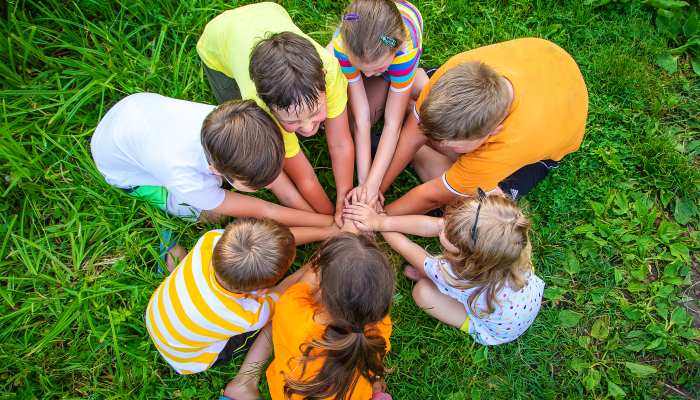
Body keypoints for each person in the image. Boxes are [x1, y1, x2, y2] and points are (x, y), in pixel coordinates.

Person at [91, 93, 334, 271]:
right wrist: (330, 226)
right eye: (259, 186)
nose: (270, 185)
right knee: (213, 217)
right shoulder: (185, 179)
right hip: (123, 169)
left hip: (135, 115)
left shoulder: (234, 127)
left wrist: (329, 224)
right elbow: (264, 209)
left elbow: (278, 192)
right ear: (214, 170)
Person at [376, 38, 589, 216]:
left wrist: (379, 216)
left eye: (451, 142)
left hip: (538, 142)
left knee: (472, 209)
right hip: (546, 65)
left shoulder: (509, 144)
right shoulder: (455, 71)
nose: (440, 143)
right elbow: (413, 136)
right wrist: (376, 189)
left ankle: (411, 130)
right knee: (413, 87)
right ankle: (412, 114)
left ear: (493, 131)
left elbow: (432, 197)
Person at [197, 2, 355, 226]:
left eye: (316, 111)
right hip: (218, 43)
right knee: (239, 125)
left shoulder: (331, 72)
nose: (309, 127)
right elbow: (305, 178)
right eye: (292, 121)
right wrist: (331, 220)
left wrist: (343, 206)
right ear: (263, 101)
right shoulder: (258, 107)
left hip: (268, 12)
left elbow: (341, 143)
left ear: (324, 76)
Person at [146, 217, 335, 399]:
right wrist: (327, 256)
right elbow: (290, 293)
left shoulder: (211, 239)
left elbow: (272, 242)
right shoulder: (247, 315)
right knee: (280, 315)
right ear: (263, 291)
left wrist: (331, 233)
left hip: (159, 316)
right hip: (189, 357)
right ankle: (244, 384)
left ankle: (175, 261)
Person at [343, 189, 545, 345]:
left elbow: (406, 246)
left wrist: (378, 222)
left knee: (423, 293)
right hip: (517, 304)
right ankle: (437, 281)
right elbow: (430, 226)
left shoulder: (452, 274)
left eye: (444, 232)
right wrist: (380, 219)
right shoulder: (514, 244)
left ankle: (436, 283)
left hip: (494, 330)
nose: (439, 224)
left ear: (465, 256)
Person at [264, 229, 395, 400]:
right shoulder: (381, 325)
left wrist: (343, 232)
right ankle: (375, 388)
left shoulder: (291, 309)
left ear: (321, 281)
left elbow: (305, 281)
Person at [326, 0, 426, 201]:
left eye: (378, 68)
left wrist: (373, 183)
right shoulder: (344, 47)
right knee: (353, 120)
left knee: (426, 96)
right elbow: (362, 118)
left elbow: (392, 124)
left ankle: (402, 78)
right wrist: (364, 183)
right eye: (362, 68)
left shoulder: (404, 53)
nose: (369, 74)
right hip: (362, 39)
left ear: (395, 50)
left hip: (391, 45)